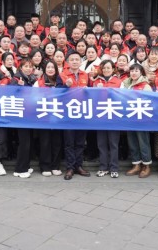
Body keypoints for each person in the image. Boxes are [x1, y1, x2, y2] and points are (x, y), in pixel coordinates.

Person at [60, 52, 90, 180]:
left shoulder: (86, 75)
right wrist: (65, 86)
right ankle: (70, 167)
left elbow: (91, 92)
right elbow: (57, 92)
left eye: (77, 59)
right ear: (68, 62)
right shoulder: (62, 75)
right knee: (69, 142)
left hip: (82, 112)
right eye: (72, 59)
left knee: (80, 142)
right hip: (68, 112)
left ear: (81, 62)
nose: (74, 61)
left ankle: (79, 166)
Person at [91, 60, 123, 178]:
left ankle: (114, 168)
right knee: (101, 143)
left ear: (113, 69)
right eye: (104, 68)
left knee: (113, 144)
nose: (106, 70)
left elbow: (122, 98)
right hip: (101, 116)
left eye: (108, 68)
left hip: (114, 116)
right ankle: (103, 167)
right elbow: (92, 98)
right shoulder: (96, 81)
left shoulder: (119, 82)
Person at [34, 60, 65, 176]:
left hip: (57, 116)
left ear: (56, 69)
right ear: (45, 69)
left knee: (57, 142)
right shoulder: (39, 82)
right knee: (45, 142)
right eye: (48, 67)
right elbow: (33, 97)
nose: (50, 69)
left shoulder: (60, 82)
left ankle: (55, 166)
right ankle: (45, 166)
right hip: (44, 116)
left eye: (53, 67)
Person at [123, 64, 153, 178]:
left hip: (142, 118)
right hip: (129, 117)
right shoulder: (126, 84)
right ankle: (136, 164)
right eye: (132, 71)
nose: (133, 73)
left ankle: (146, 165)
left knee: (143, 142)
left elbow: (150, 102)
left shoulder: (145, 86)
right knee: (132, 141)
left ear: (141, 73)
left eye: (136, 71)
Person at [11, 59, 37, 178]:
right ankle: (20, 169)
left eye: (30, 66)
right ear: (20, 68)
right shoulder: (17, 79)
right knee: (24, 143)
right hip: (21, 115)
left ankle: (25, 166)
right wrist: (19, 87)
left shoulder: (31, 79)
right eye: (25, 66)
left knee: (28, 142)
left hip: (29, 115)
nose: (28, 68)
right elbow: (10, 94)